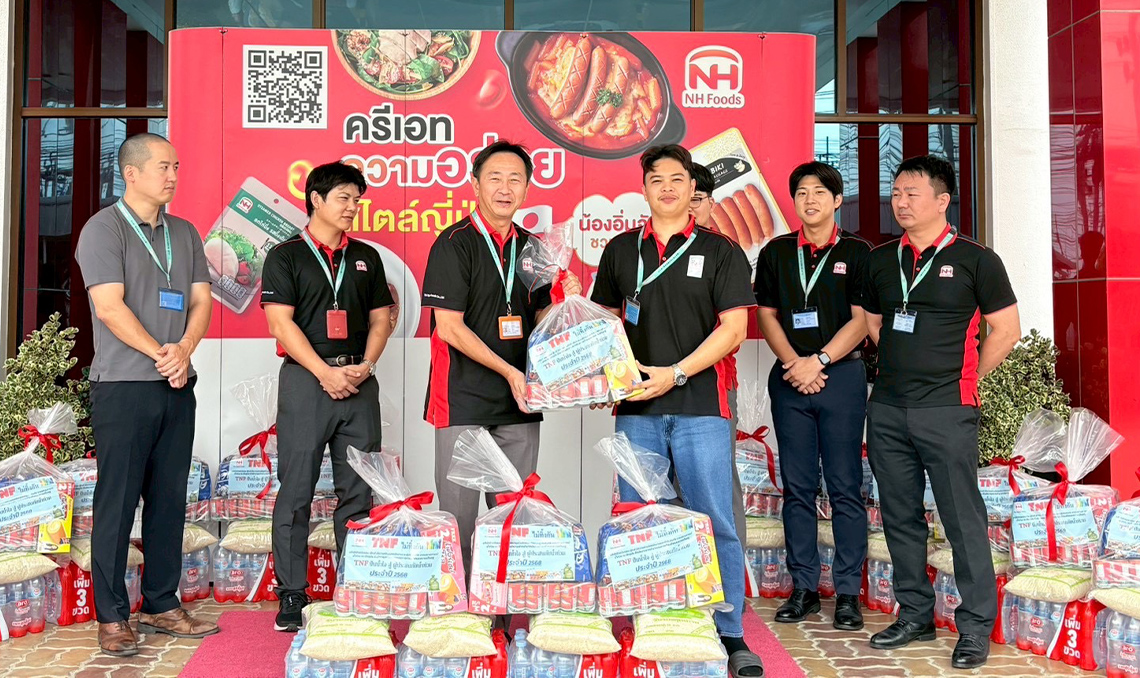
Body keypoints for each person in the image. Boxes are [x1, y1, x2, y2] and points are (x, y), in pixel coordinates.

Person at [591, 145, 762, 677]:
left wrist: (676, 373)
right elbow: (604, 323)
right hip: (636, 409)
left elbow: (734, 329)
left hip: (700, 405)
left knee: (714, 520)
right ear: (644, 188)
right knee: (642, 519)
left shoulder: (721, 251)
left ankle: (729, 631)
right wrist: (599, 374)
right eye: (656, 179)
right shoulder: (621, 249)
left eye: (676, 179)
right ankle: (653, 621)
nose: (666, 187)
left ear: (692, 189)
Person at [861, 155, 1020, 669]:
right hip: (888, 407)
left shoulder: (977, 260)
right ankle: (914, 614)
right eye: (896, 193)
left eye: (911, 193)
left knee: (960, 518)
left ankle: (974, 626)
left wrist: (965, 375)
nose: (900, 202)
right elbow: (872, 320)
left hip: (947, 409)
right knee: (899, 515)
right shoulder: (881, 260)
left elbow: (1007, 331)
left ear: (942, 200)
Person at [76, 132, 218, 656]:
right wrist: (163, 353)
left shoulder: (184, 232)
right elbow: (109, 307)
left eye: (176, 166)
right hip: (124, 386)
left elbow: (201, 301)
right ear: (130, 173)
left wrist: (184, 349)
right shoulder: (103, 228)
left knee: (168, 499)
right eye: (163, 166)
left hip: (177, 383)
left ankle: (161, 602)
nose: (173, 176)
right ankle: (112, 616)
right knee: (116, 502)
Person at [422, 139, 580, 574]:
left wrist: (563, 301)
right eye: (494, 178)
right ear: (475, 185)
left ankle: (505, 607)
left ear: (527, 189)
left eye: (515, 179)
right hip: (462, 398)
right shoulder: (453, 243)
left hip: (519, 402)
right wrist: (510, 371)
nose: (505, 188)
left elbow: (542, 318)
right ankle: (461, 608)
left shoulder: (536, 249)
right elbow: (449, 328)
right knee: (459, 519)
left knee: (513, 516)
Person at [261, 161, 395, 632]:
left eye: (357, 199)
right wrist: (324, 373)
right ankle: (292, 593)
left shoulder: (366, 257)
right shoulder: (285, 256)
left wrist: (366, 365)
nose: (352, 206)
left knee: (358, 490)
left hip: (358, 382)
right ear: (316, 199)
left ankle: (353, 587)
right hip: (306, 382)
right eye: (343, 197)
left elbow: (381, 318)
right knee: (296, 489)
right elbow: (280, 324)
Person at [753, 161, 870, 630]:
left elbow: (862, 320)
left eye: (820, 192)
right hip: (789, 378)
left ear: (837, 200)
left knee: (844, 486)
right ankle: (803, 587)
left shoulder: (858, 251)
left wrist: (818, 361)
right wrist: (794, 364)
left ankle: (847, 592)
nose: (810, 200)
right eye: (802, 192)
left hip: (841, 377)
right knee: (797, 486)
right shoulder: (777, 252)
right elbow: (766, 315)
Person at [690, 162, 747, 554]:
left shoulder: (724, 252)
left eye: (697, 199)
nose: (688, 207)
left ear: (711, 203)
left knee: (718, 488)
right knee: (663, 489)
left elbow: (734, 330)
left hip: (711, 388)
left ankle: (730, 580)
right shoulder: (642, 249)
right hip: (653, 392)